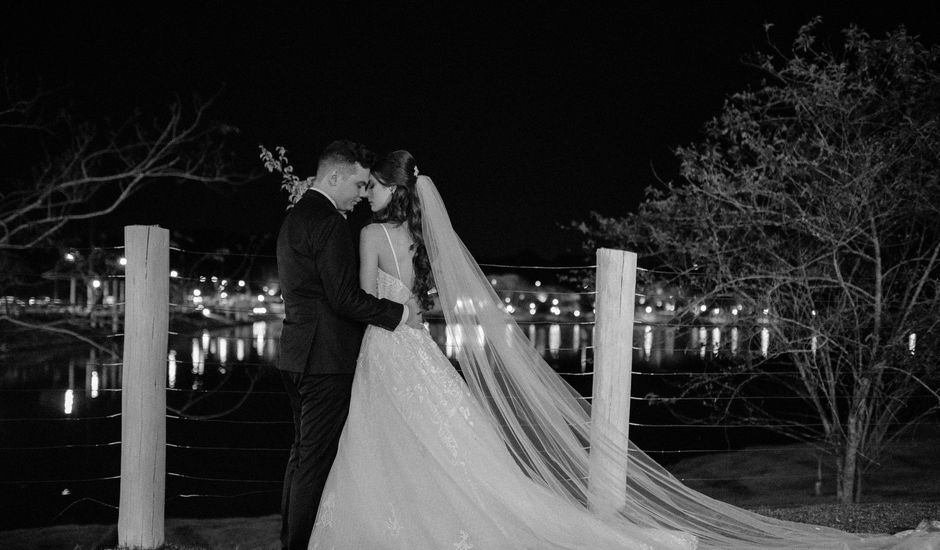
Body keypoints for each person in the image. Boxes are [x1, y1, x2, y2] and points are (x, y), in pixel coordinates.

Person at [307, 150, 940, 549]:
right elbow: (428, 302)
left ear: (391, 190)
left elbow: (366, 300)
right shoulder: (420, 242)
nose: (368, 195)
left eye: (373, 187)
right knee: (445, 442)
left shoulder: (369, 235)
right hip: (419, 349)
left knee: (389, 440)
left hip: (387, 349)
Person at [275, 140, 420, 550]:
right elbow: (344, 299)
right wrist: (401, 315)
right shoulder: (329, 223)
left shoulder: (296, 218)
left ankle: (290, 539)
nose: (361, 194)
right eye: (358, 184)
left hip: (295, 353)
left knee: (301, 456)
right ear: (334, 176)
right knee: (315, 464)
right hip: (326, 360)